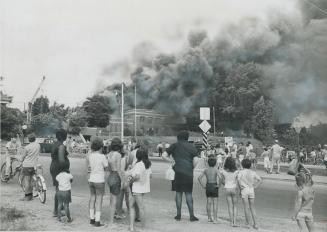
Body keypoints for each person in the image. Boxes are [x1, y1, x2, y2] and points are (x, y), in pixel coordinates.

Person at [163, 131, 199, 221]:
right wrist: (192, 167)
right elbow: (196, 160)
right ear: (187, 137)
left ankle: (178, 215)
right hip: (188, 173)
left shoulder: (175, 145)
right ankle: (191, 216)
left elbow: (164, 155)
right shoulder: (192, 146)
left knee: (178, 193)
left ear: (178, 137)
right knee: (188, 194)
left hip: (177, 172)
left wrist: (172, 161)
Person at [128, 147, 152, 231]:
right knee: (133, 205)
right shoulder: (148, 164)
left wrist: (130, 181)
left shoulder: (138, 164)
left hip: (137, 188)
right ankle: (132, 226)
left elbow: (137, 176)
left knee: (137, 207)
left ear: (138, 155)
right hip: (144, 187)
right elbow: (150, 176)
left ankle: (139, 227)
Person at [86, 137, 108, 227]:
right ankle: (97, 220)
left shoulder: (90, 156)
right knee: (99, 200)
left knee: (92, 198)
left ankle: (92, 218)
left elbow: (89, 167)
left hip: (91, 179)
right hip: (99, 180)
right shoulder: (102, 156)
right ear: (100, 147)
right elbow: (106, 166)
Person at [50, 129, 70, 217]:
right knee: (60, 189)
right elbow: (62, 160)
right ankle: (56, 210)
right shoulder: (61, 146)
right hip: (59, 169)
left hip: (54, 166)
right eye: (65, 135)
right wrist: (66, 168)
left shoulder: (56, 144)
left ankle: (58, 207)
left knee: (58, 188)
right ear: (63, 136)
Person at [238, 159, 262, 229]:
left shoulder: (241, 172)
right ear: (250, 165)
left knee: (246, 207)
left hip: (244, 190)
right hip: (251, 190)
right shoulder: (253, 172)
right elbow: (260, 180)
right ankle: (256, 224)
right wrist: (255, 186)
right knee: (252, 207)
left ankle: (248, 223)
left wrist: (240, 189)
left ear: (242, 165)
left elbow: (239, 180)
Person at [198, 156, 221, 223]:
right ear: (215, 163)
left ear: (208, 163)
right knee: (215, 203)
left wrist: (203, 186)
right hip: (214, 185)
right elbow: (220, 178)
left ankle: (209, 218)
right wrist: (219, 185)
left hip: (208, 185)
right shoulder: (216, 169)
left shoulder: (206, 170)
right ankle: (215, 219)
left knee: (208, 202)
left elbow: (199, 178)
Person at [107, 138, 123, 224]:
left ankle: (111, 217)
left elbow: (108, 168)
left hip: (110, 176)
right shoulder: (118, 155)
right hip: (116, 176)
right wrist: (123, 180)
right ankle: (111, 221)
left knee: (111, 199)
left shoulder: (109, 154)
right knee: (114, 200)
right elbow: (119, 169)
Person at [20, 133, 40, 201]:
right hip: (34, 165)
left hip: (27, 165)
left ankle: (26, 196)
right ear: (35, 139)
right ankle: (31, 195)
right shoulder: (38, 145)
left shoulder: (27, 147)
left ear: (28, 139)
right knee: (31, 181)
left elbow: (23, 157)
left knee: (27, 181)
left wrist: (20, 160)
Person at [220, 157, 239, 227]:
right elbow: (237, 181)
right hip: (234, 188)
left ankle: (231, 222)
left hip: (227, 188)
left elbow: (222, 180)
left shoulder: (223, 171)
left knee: (230, 206)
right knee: (235, 206)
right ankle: (235, 222)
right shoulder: (237, 171)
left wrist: (225, 184)